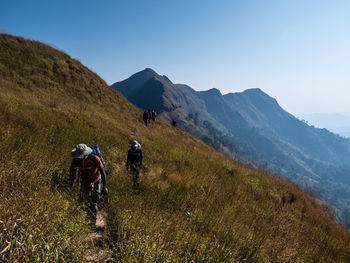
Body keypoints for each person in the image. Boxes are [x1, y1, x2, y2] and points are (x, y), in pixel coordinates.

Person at [70, 144, 108, 223]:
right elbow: (72, 172)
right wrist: (71, 184)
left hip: (96, 179)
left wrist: (105, 187)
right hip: (85, 181)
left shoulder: (94, 158)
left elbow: (103, 172)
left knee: (94, 199)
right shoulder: (76, 160)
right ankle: (88, 216)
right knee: (85, 199)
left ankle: (92, 220)